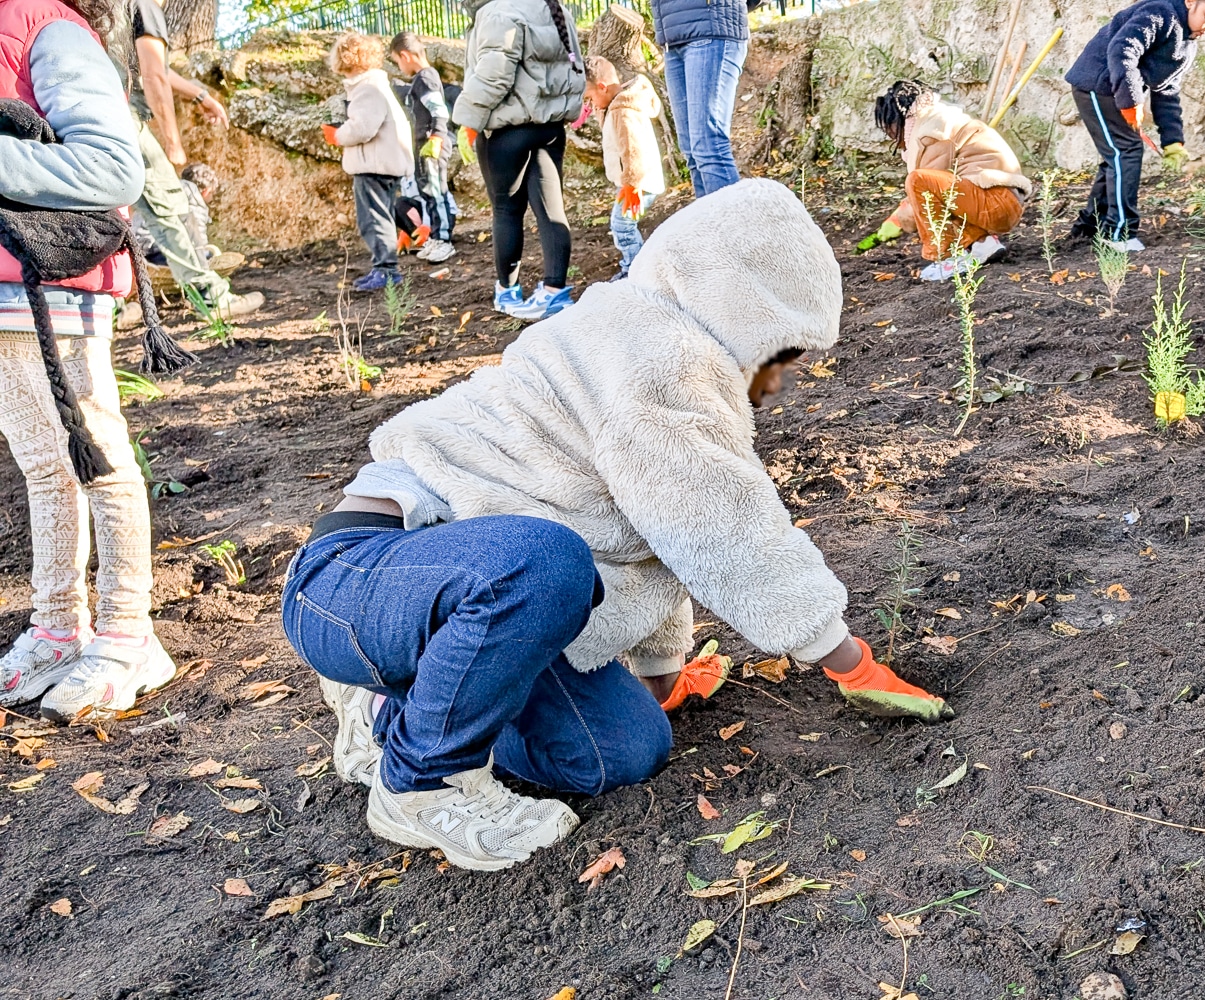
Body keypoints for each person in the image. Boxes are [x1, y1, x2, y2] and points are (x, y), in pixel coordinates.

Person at [281, 180, 952, 872]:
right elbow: (726, 534)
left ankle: (417, 702)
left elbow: (657, 541)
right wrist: (850, 661)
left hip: (466, 593)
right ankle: (414, 775)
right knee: (542, 562)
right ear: (744, 312)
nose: (780, 382)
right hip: (363, 573)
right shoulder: (666, 366)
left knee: (623, 750)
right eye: (782, 356)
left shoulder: (649, 330)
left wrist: (663, 679)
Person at [0, 0, 180, 719]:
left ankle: (130, 632)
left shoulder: (46, 26)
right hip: (10, 293)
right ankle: (59, 626)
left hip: (50, 286)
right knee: (43, 464)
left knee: (96, 458)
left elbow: (111, 167)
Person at [452, 0, 583, 321]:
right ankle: (555, 293)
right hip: (550, 128)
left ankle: (507, 292)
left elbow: (495, 75)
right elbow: (575, 65)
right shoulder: (555, 9)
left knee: (506, 209)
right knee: (551, 209)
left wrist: (468, 119)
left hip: (508, 130)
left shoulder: (497, 12)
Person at [1064, 0, 1205, 251]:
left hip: (1115, 91)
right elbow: (1121, 50)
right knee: (1125, 152)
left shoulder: (1186, 44)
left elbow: (1167, 91)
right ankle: (1118, 234)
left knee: (1117, 156)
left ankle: (1090, 227)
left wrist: (1172, 140)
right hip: (1097, 85)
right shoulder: (1159, 14)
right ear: (1190, 2)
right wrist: (1131, 101)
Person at [130, 0, 262, 316]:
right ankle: (212, 298)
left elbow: (156, 66)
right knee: (168, 206)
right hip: (122, 119)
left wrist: (200, 95)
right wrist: (173, 143)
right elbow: (154, 76)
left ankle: (121, 306)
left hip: (90, 115)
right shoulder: (143, 6)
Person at [856, 81, 1032, 282]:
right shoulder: (940, 119)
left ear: (898, 119)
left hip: (995, 201)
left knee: (917, 180)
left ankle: (948, 257)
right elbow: (945, 187)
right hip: (1001, 200)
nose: (890, 136)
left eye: (889, 128)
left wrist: (897, 220)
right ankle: (983, 244)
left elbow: (925, 191)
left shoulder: (931, 133)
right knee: (943, 188)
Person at [322, 32, 414, 292]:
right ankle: (383, 268)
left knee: (373, 219)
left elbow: (363, 128)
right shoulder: (376, 85)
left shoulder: (367, 89)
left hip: (373, 165)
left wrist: (337, 135)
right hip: (383, 162)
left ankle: (386, 271)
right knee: (380, 216)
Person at [649, 0, 761, 197]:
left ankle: (734, 226)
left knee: (708, 147)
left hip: (712, 29)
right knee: (692, 152)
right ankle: (712, 225)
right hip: (672, 38)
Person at [582, 56, 665, 280]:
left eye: (589, 98)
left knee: (623, 226)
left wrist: (632, 185)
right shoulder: (615, 105)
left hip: (639, 182)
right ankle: (636, 267)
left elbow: (633, 149)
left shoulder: (624, 110)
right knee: (623, 224)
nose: (589, 105)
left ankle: (636, 272)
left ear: (602, 87)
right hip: (634, 182)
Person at [389, 32, 455, 264]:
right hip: (424, 146)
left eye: (397, 60)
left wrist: (436, 137)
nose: (399, 66)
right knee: (428, 191)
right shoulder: (421, 80)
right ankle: (436, 237)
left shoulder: (425, 78)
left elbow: (439, 110)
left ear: (405, 56)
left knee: (437, 191)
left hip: (432, 145)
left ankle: (443, 239)